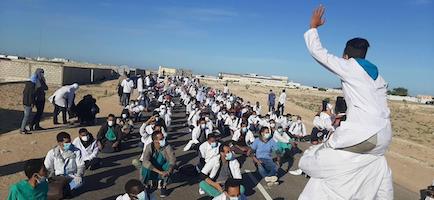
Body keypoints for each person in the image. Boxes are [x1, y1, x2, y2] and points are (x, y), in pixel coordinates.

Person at [298, 5, 393, 199]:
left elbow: (319, 53)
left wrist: (313, 28)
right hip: (383, 138)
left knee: (320, 153)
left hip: (364, 134)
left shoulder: (350, 66)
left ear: (346, 55)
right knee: (367, 171)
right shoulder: (378, 78)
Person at [44, 132, 85, 197]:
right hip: (57, 178)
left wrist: (79, 175)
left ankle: (61, 192)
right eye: (66, 142)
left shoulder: (76, 151)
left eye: (69, 141)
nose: (69, 144)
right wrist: (49, 178)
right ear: (59, 143)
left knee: (79, 182)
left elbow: (81, 165)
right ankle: (64, 192)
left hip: (71, 177)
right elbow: (47, 167)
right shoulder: (52, 153)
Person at [141, 131, 176, 198]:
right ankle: (147, 184)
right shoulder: (149, 147)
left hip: (162, 166)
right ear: (155, 140)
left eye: (163, 138)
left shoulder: (167, 146)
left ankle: (163, 185)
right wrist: (160, 172)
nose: (163, 140)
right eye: (161, 139)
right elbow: (145, 161)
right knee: (145, 167)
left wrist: (169, 169)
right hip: (154, 167)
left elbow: (172, 159)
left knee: (170, 165)